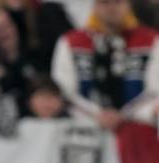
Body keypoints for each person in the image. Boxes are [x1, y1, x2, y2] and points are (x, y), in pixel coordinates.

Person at [51, 0, 159, 129]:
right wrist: (97, 115)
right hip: (83, 129)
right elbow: (63, 89)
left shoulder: (151, 40)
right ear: (94, 5)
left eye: (118, 2)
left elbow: (155, 89)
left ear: (129, 4)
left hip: (138, 129)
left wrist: (123, 116)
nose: (112, 8)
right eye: (105, 2)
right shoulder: (70, 41)